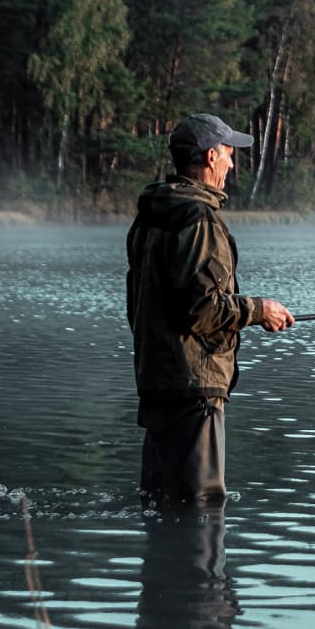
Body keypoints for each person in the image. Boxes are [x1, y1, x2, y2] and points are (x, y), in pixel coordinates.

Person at [126, 113, 295, 504]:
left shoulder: (151, 218)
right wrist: (260, 309)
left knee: (161, 504)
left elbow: (139, 304)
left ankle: (163, 568)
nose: (232, 164)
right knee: (199, 510)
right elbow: (202, 309)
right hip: (193, 389)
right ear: (210, 156)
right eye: (228, 155)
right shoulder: (198, 220)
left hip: (157, 382)